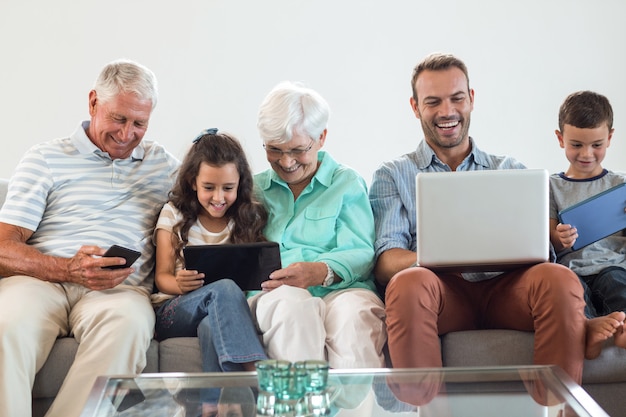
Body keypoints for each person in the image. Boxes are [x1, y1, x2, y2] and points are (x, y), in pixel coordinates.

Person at [369, 52, 587, 385]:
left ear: (471, 100)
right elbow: (386, 262)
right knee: (407, 283)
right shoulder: (393, 174)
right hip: (441, 293)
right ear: (415, 108)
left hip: (510, 290)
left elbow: (545, 251)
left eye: (457, 98)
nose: (447, 112)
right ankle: (426, 410)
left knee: (559, 279)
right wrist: (440, 257)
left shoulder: (510, 169)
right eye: (433, 102)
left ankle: (556, 408)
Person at [0, 59, 180, 417]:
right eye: (119, 118)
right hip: (40, 282)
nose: (128, 133)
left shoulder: (165, 167)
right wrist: (67, 268)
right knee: (6, 325)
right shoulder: (45, 158)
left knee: (129, 323)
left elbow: (220, 199)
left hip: (118, 291)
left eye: (139, 123)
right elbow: (4, 245)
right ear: (93, 102)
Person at [250, 81, 387, 368]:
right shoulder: (253, 189)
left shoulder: (346, 183)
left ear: (321, 137)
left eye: (298, 150)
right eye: (275, 149)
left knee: (354, 319)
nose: (287, 162)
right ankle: (300, 408)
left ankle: (354, 413)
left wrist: (320, 271)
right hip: (276, 294)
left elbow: (362, 251)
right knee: (293, 308)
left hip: (342, 289)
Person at [152, 129, 268, 413]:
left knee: (211, 325)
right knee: (225, 287)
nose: (219, 197)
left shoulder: (247, 217)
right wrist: (179, 284)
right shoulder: (174, 214)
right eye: (209, 187)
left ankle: (212, 406)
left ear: (240, 184)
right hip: (174, 310)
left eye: (228, 188)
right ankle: (257, 372)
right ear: (193, 182)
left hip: (218, 314)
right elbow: (161, 277)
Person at [549, 90, 626, 360]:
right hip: (573, 269)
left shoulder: (621, 185)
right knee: (572, 293)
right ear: (560, 139)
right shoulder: (551, 187)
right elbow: (547, 238)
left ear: (610, 138)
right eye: (577, 144)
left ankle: (623, 325)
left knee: (617, 283)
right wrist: (560, 237)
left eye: (596, 145)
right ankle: (588, 328)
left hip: (613, 265)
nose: (587, 154)